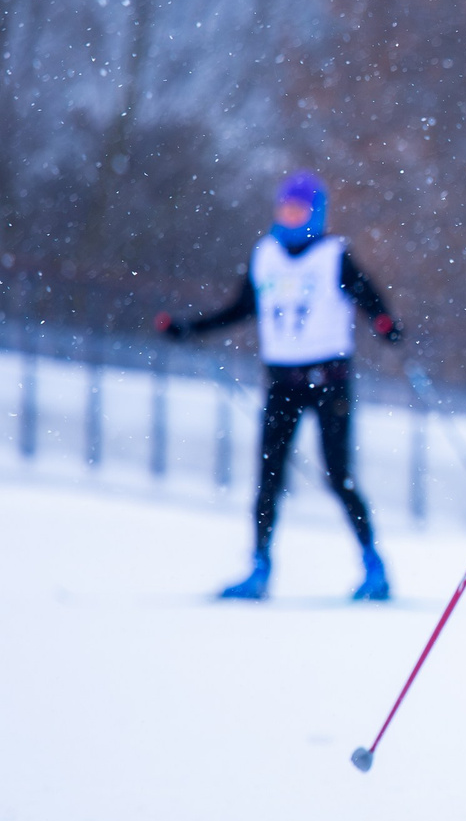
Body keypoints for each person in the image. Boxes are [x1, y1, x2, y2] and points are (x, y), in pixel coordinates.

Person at [158, 172, 404, 602]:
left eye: (299, 210)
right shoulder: (265, 255)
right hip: (282, 382)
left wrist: (385, 324)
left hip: (330, 381)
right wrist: (189, 329)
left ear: (316, 213)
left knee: (339, 475)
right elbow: (239, 309)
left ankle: (373, 566)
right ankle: (259, 568)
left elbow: (370, 298)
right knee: (268, 476)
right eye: (284, 209)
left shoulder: (333, 255)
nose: (290, 217)